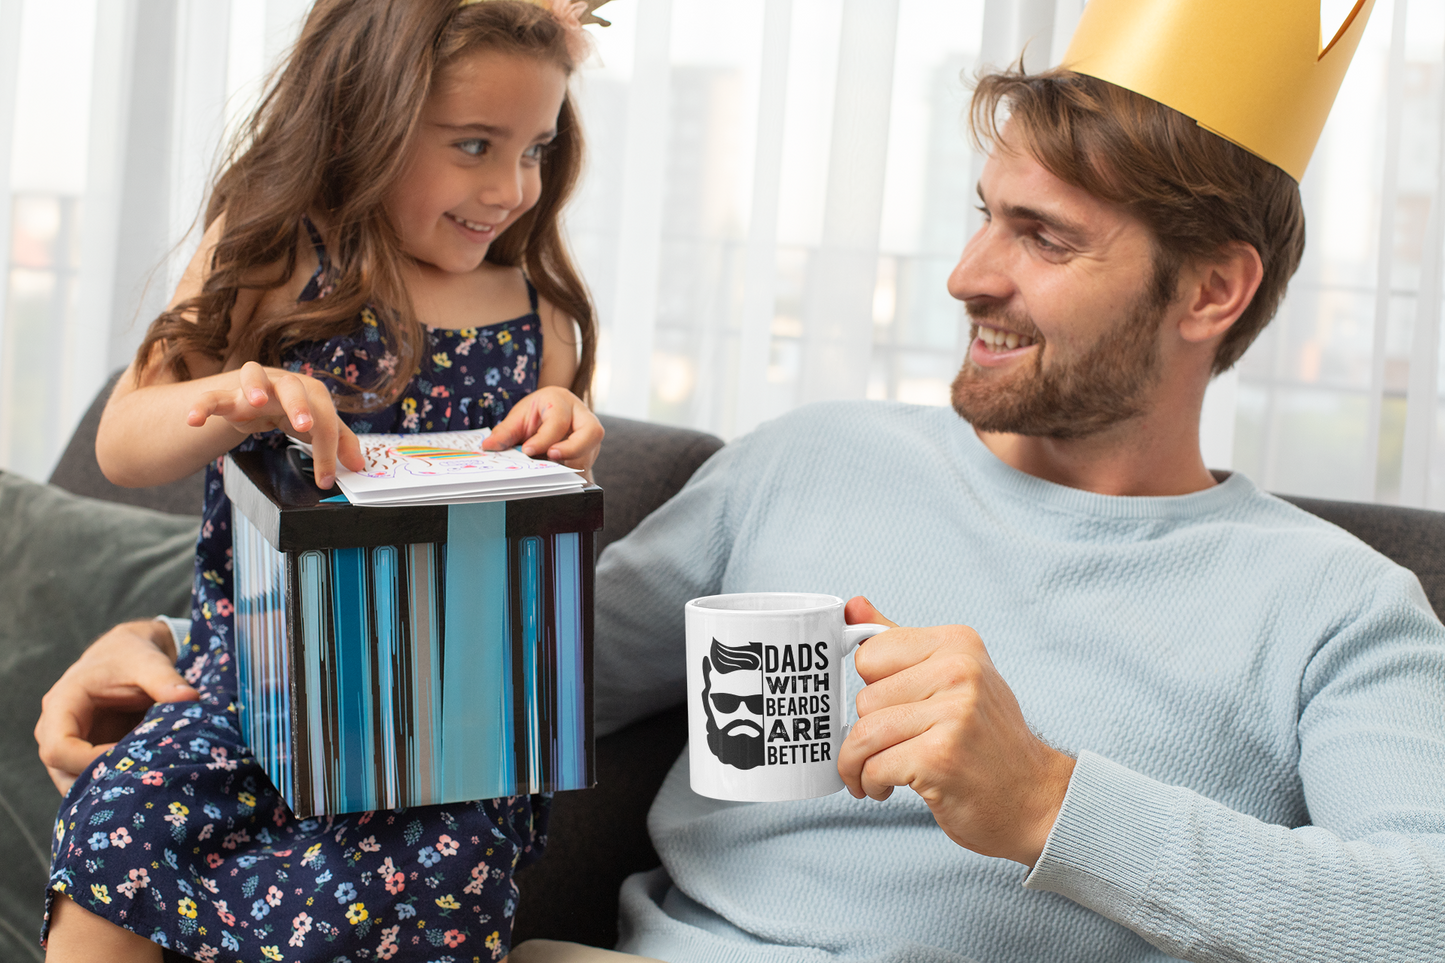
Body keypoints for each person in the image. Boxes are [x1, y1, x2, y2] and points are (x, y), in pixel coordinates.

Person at [39, 5, 1445, 963]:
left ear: (1212, 288)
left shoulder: (1335, 606)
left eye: (1044, 238)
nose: (968, 275)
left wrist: (1045, 800)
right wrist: (211, 652)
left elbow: (1422, 909)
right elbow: (514, 668)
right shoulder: (812, 460)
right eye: (981, 218)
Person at [38, 1, 607, 960]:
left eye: (536, 149)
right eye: (474, 145)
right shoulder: (269, 257)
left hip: (438, 734)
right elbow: (123, 446)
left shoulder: (536, 312)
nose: (511, 187)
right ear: (364, 121)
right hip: (240, 690)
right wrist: (232, 395)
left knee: (434, 871)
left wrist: (569, 439)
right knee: (120, 813)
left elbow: (544, 538)